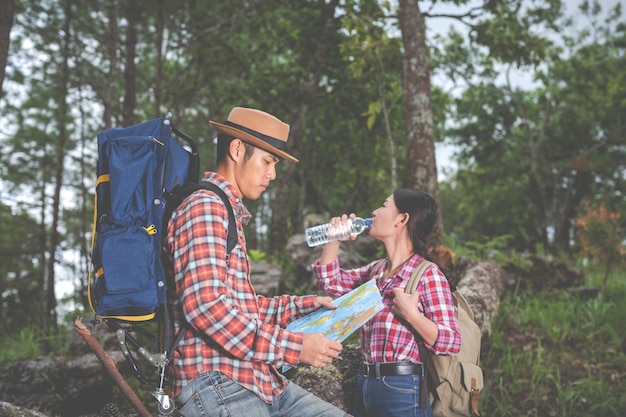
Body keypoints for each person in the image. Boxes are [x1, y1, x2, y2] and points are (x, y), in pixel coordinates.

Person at [166, 107, 351, 417]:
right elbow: (206, 309)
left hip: (262, 382)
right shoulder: (205, 207)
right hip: (218, 384)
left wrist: (303, 306)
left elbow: (240, 308)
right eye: (267, 161)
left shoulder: (227, 212)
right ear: (237, 149)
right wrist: (295, 347)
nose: (272, 175)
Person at [312, 188, 461, 417]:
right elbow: (330, 281)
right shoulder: (376, 271)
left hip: (402, 388)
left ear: (402, 219)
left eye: (383, 205)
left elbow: (451, 342)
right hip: (365, 383)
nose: (374, 211)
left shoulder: (427, 274)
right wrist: (334, 239)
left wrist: (413, 315)